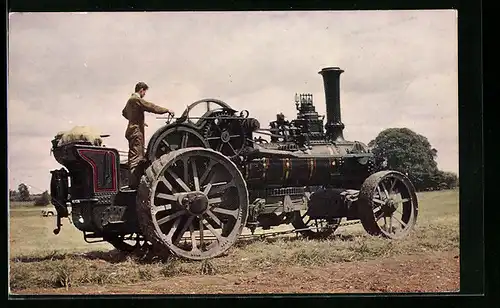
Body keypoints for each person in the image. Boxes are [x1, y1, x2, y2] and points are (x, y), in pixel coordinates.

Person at [122, 82, 174, 189]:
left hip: (132, 130)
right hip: (136, 132)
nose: (144, 94)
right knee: (136, 158)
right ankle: (134, 186)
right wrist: (166, 110)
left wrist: (137, 120)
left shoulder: (129, 101)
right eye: (144, 92)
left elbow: (124, 113)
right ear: (141, 90)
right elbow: (151, 107)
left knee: (133, 156)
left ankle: (133, 183)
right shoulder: (136, 99)